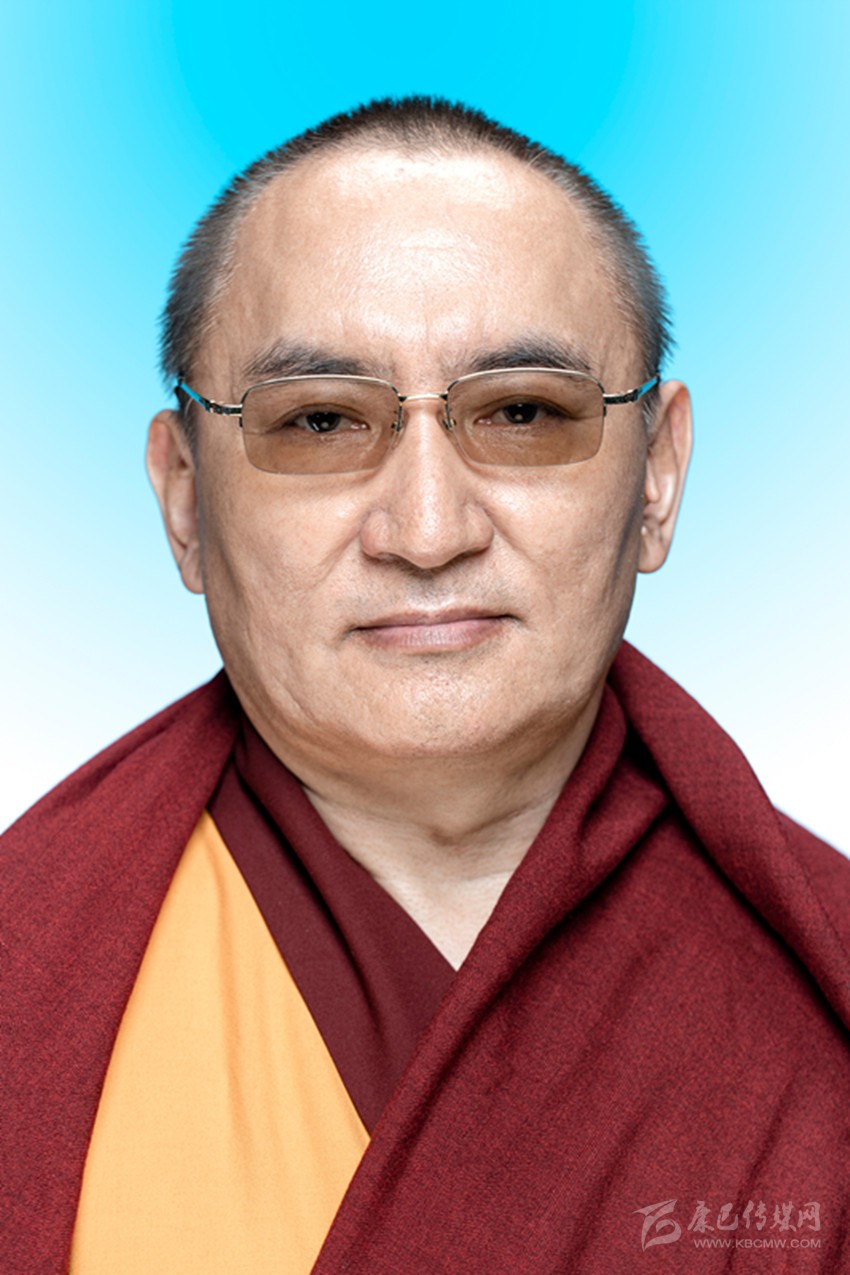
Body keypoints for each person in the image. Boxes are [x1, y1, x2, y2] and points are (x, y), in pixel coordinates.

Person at [3, 98, 848, 1274]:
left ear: (657, 476)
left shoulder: (816, 989)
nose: (427, 529)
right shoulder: (27, 967)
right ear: (184, 497)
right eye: (318, 422)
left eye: (521, 412)